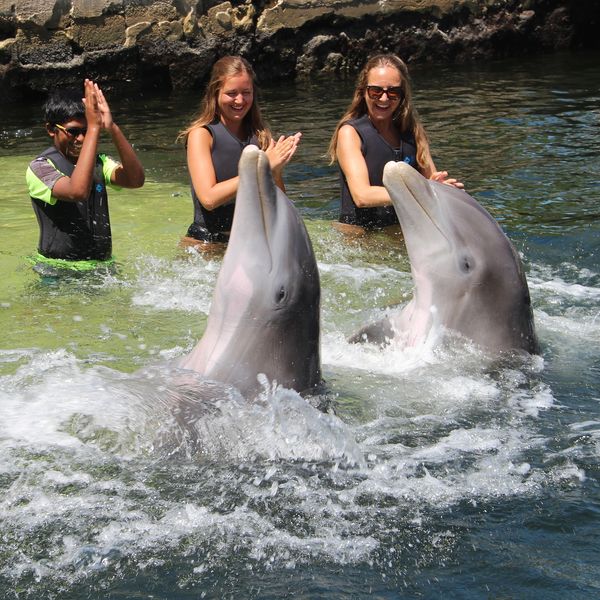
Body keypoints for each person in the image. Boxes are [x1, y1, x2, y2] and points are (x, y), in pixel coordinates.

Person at [327, 53, 463, 233]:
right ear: (363, 91)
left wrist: (441, 187)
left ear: (402, 95)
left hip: (403, 235)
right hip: (360, 240)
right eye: (375, 91)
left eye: (393, 92)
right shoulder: (350, 133)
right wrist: (422, 190)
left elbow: (430, 182)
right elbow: (362, 195)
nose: (383, 99)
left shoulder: (413, 132)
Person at [178, 55, 301, 246]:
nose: (240, 100)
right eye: (231, 93)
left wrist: (275, 171)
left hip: (250, 242)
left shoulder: (261, 136)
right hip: (206, 244)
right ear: (215, 93)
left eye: (246, 92)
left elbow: (278, 206)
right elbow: (209, 198)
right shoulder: (201, 135)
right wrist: (261, 168)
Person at [26, 79, 145, 270]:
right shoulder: (40, 168)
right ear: (51, 130)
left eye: (86, 130)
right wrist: (94, 128)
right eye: (73, 131)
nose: (81, 138)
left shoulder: (100, 163)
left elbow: (135, 180)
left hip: (101, 267)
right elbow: (77, 191)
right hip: (56, 270)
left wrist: (112, 128)